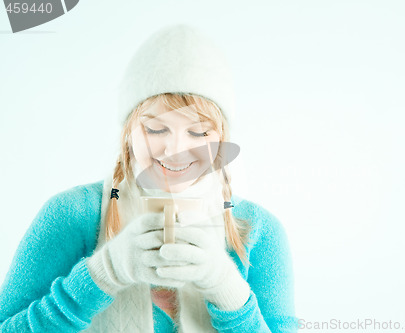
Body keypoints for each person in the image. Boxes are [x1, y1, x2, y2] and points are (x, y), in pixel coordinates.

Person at [0, 24, 298, 332]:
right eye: (156, 129)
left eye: (198, 132)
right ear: (128, 132)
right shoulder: (72, 214)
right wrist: (102, 274)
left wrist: (225, 285)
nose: (175, 150)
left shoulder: (260, 230)